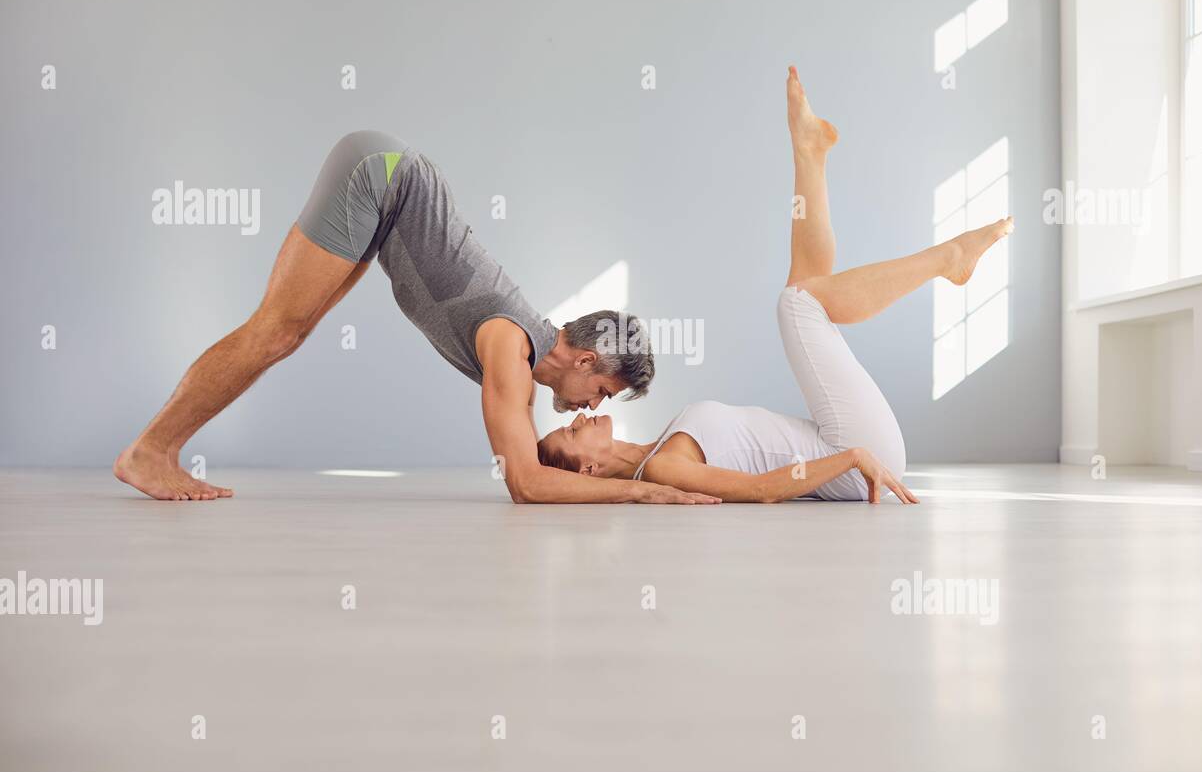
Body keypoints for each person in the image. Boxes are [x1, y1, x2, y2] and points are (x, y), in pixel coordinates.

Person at [114, 131, 719, 506]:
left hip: (387, 196)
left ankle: (157, 449)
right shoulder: (512, 347)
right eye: (603, 392)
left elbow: (536, 468)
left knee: (288, 335)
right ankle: (150, 451)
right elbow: (526, 485)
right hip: (382, 176)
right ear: (586, 360)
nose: (594, 407)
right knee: (278, 330)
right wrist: (641, 489)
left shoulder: (522, 347)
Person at [537, 67, 1012, 504]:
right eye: (573, 435)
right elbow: (761, 489)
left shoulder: (658, 446)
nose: (578, 417)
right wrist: (851, 459)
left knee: (806, 289)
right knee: (798, 304)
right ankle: (948, 259)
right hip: (854, 454)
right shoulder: (662, 467)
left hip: (844, 441)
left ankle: (810, 153)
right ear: (592, 469)